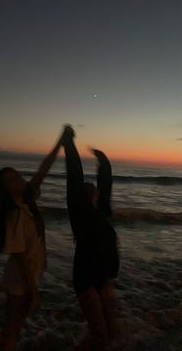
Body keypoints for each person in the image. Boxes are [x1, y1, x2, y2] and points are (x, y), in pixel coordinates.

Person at [0, 127, 66, 351]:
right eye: (12, 179)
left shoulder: (26, 203)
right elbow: (19, 256)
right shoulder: (16, 214)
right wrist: (34, 291)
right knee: (13, 327)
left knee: (14, 326)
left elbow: (42, 170)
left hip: (26, 276)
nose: (19, 179)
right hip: (20, 280)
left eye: (18, 174)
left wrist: (60, 141)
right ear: (5, 189)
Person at [62, 125, 120, 351]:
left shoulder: (102, 212)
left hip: (103, 276)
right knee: (100, 335)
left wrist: (103, 161)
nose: (91, 189)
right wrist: (69, 145)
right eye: (86, 189)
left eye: (92, 188)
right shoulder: (79, 213)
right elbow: (74, 175)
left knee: (111, 330)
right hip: (86, 276)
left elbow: (106, 185)